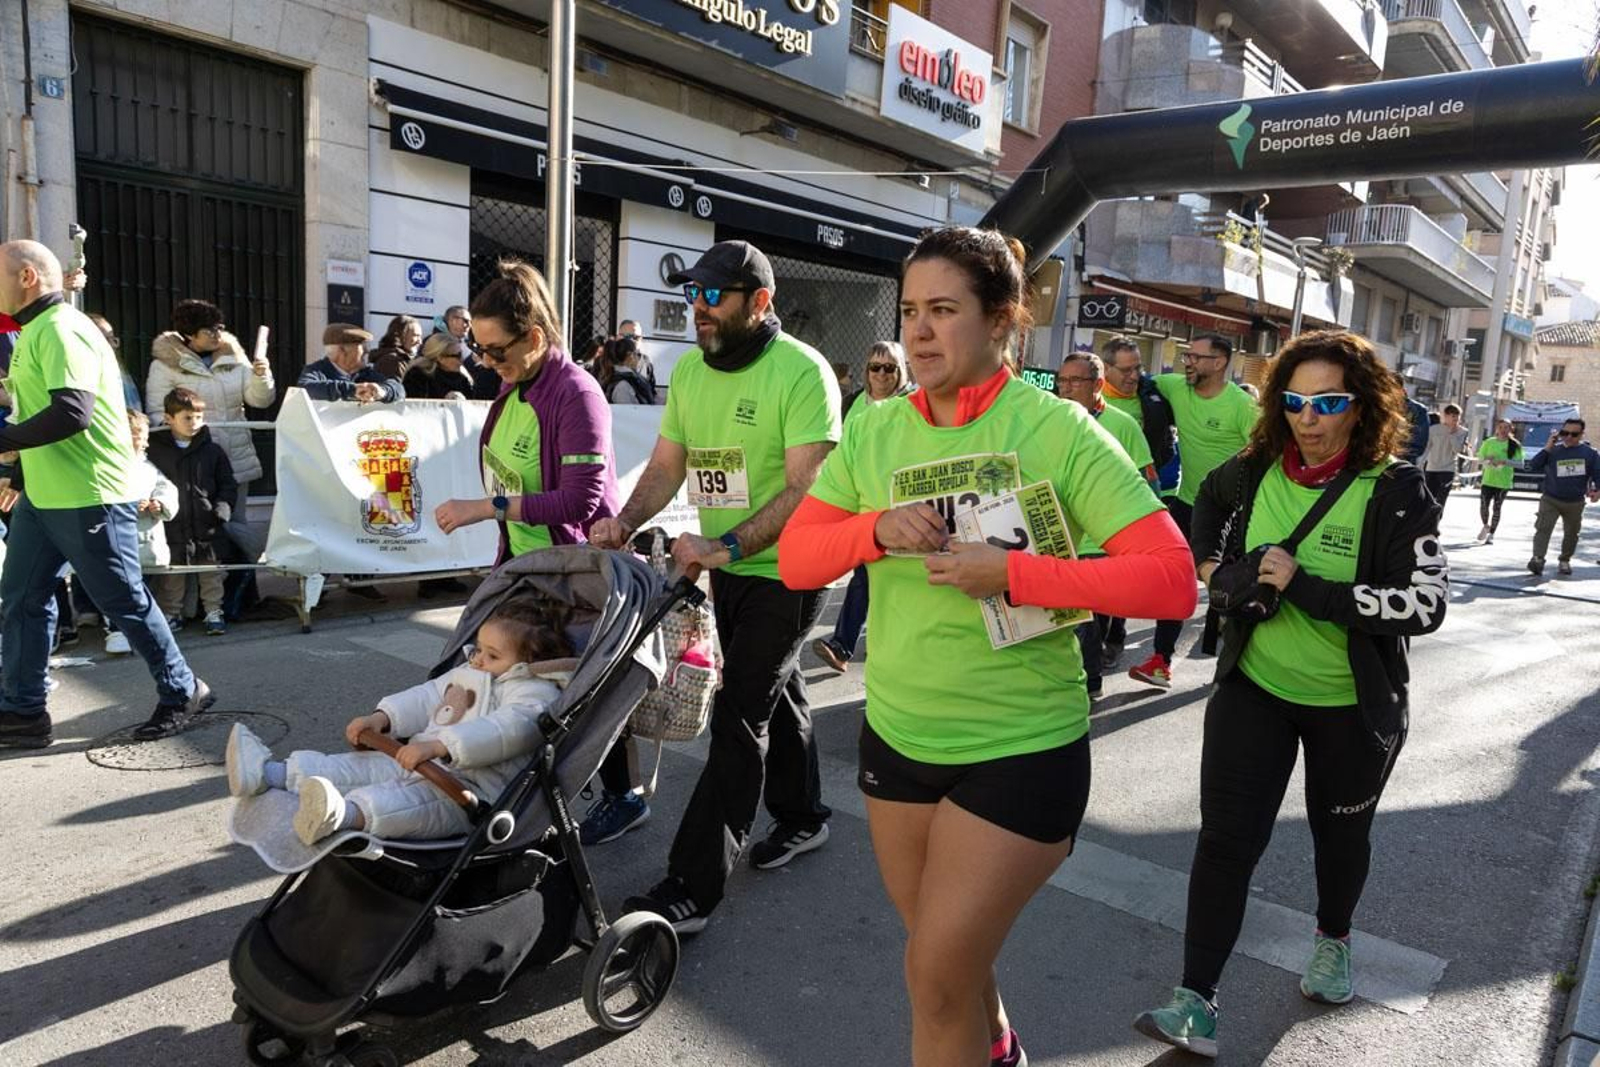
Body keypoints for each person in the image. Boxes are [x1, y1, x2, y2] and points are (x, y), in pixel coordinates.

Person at [777, 226, 1195, 1067]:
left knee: (934, 976)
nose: (920, 331)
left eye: (944, 309)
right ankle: (997, 1045)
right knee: (948, 963)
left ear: (1003, 319)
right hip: (899, 738)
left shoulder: (1058, 428)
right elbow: (796, 560)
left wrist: (1017, 573)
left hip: (1021, 748)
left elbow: (1171, 579)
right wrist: (873, 528)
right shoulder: (874, 430)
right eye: (909, 311)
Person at [1132, 329, 1447, 1059]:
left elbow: (1425, 604)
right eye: (1295, 402)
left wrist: (1306, 588)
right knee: (1225, 840)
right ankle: (1195, 1000)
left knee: (1340, 839)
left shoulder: (1395, 490)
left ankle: (1333, 939)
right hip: (1256, 689)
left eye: (1328, 403)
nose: (1309, 418)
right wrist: (1214, 571)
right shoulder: (1254, 468)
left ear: (1361, 407)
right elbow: (1204, 506)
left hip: (1350, 705)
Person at [589, 239, 841, 935]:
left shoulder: (803, 372)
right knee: (778, 686)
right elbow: (668, 465)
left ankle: (692, 888)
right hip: (723, 566)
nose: (697, 308)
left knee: (739, 714)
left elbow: (806, 487)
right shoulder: (692, 372)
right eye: (691, 294)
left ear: (760, 302)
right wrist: (624, 520)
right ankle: (804, 814)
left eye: (712, 296)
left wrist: (724, 545)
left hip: (789, 570)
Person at [0, 240, 214, 747]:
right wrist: (21, 477)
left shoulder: (62, 328)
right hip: (45, 497)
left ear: (27, 277)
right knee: (22, 600)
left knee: (123, 600)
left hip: (91, 494)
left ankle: (183, 689)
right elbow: (37, 414)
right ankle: (23, 710)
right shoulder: (35, 331)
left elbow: (73, 412)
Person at [225, 598, 574, 844]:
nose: (478, 658)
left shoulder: (534, 692)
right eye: (479, 648)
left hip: (468, 791)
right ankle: (270, 774)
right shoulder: (471, 671)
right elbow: (427, 696)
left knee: (404, 806)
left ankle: (341, 814)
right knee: (356, 767)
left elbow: (510, 729)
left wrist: (440, 746)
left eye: (492, 655)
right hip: (420, 760)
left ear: (529, 661)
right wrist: (383, 718)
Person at [432, 259, 619, 564]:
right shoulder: (514, 381)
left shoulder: (578, 395)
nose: (487, 362)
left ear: (534, 339)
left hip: (574, 568)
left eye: (496, 350)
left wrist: (486, 508)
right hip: (523, 563)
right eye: (479, 349)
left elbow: (579, 501)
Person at [1132, 334, 1258, 689]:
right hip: (1189, 504)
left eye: (1195, 357)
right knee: (1174, 580)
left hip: (1236, 512)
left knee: (1233, 591)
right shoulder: (1175, 387)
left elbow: (1271, 454)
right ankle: (1161, 661)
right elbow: (1132, 382)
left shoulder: (1242, 407)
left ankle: (1238, 668)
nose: (1186, 362)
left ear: (1219, 363)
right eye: (1186, 356)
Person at [1055, 349, 1160, 699]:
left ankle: (1090, 685)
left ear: (1097, 384)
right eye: (1062, 381)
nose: (1066, 388)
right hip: (1060, 537)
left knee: (1087, 618)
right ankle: (1086, 678)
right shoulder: (1051, 420)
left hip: (1103, 540)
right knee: (1075, 619)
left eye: (1075, 381)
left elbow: (1149, 483)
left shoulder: (1123, 425)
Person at [813, 341, 912, 674]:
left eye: (890, 368)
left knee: (869, 573)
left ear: (902, 372)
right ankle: (864, 643)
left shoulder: (912, 404)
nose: (881, 374)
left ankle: (844, 645)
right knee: (868, 573)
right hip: (858, 500)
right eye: (875, 367)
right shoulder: (854, 402)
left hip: (894, 504)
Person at [1100, 336, 1179, 671]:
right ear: (1105, 369)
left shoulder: (1155, 395)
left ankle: (1116, 636)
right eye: (1126, 370)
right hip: (1099, 498)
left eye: (1138, 368)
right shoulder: (1091, 400)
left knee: (1125, 571)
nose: (1134, 376)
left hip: (1145, 495)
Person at [146, 299, 275, 492]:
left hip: (236, 456)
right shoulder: (164, 365)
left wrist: (261, 375)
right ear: (190, 334)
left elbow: (261, 401)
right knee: (202, 509)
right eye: (209, 330)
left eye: (219, 328)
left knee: (236, 510)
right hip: (193, 460)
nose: (217, 335)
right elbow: (157, 413)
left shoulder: (235, 357)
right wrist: (182, 443)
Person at [147, 388, 237, 637]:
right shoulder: (155, 451)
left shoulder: (213, 451)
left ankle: (214, 611)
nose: (194, 423)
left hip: (208, 524)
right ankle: (171, 613)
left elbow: (228, 484)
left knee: (211, 573)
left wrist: (222, 509)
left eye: (198, 417)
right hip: (172, 525)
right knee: (172, 574)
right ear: (169, 418)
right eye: (187, 417)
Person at [104, 410, 179, 656]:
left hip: (146, 540)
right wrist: (127, 505)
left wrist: (159, 503)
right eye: (138, 435)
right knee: (118, 587)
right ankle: (116, 630)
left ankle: (141, 631)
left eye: (145, 436)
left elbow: (166, 488)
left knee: (143, 588)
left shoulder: (148, 467)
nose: (145, 442)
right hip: (116, 539)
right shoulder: (105, 465)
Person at [1526, 418, 1600, 577]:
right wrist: (1547, 447)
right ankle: (1538, 559)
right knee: (1543, 528)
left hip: (1575, 501)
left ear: (1582, 434)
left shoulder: (1590, 453)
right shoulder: (1553, 450)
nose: (1569, 437)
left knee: (1572, 533)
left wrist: (1597, 490)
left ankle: (1565, 560)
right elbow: (1533, 466)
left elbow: (1598, 473)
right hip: (1551, 498)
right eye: (1565, 433)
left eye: (1574, 434)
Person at [297, 324, 405, 404]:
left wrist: (382, 392)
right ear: (342, 351)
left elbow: (399, 389)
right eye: (361, 346)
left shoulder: (366, 373)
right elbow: (305, 389)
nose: (366, 351)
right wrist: (353, 390)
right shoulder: (316, 371)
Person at [1471, 418, 1521, 543]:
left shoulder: (1514, 444)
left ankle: (1491, 534)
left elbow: (1520, 464)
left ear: (1510, 429)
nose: (1503, 430)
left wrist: (1505, 462)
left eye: (1506, 427)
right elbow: (1480, 459)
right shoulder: (1489, 442)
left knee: (1497, 508)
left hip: (1503, 482)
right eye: (1501, 427)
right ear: (1497, 428)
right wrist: (1487, 459)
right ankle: (1485, 526)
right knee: (1484, 505)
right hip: (1488, 480)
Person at [87, 313, 142, 411]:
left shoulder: (119, 369)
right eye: (106, 339)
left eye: (112, 338)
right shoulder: (90, 371)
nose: (113, 344)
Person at [1421, 402, 1469, 509]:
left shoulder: (1463, 432)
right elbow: (1426, 448)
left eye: (1458, 416)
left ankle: (1437, 518)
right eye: (1453, 416)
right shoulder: (1434, 429)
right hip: (1432, 469)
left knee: (1441, 500)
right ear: (1445, 416)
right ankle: (1428, 519)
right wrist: (1420, 465)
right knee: (1429, 499)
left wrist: (1452, 434)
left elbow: (1457, 450)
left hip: (1448, 470)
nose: (1455, 418)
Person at [401, 333, 476, 400]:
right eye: (457, 355)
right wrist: (443, 402)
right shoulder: (417, 376)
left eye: (462, 354)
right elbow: (413, 405)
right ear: (440, 358)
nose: (462, 359)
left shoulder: (462, 379)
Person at [600, 335, 655, 405]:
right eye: (637, 354)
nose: (638, 358)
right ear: (630, 355)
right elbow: (629, 410)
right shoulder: (622, 386)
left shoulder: (631, 377)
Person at [368, 314, 423, 381]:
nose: (420, 342)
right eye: (416, 336)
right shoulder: (390, 361)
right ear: (400, 335)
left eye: (420, 337)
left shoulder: (403, 359)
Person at [616, 318, 656, 390]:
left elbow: (652, 390)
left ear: (641, 339)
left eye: (636, 337)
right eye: (627, 337)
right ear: (618, 337)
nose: (632, 340)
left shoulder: (645, 362)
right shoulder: (609, 361)